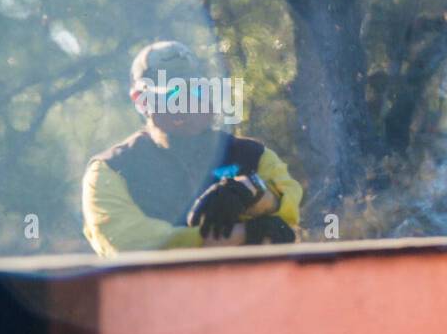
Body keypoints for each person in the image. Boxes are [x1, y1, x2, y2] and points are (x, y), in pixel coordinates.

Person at [81, 41, 303, 258]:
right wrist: (249, 234)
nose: (187, 102)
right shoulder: (109, 170)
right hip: (159, 294)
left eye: (197, 91)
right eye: (172, 94)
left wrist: (251, 191)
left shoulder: (252, 155)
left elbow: (290, 210)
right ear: (141, 101)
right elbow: (134, 246)